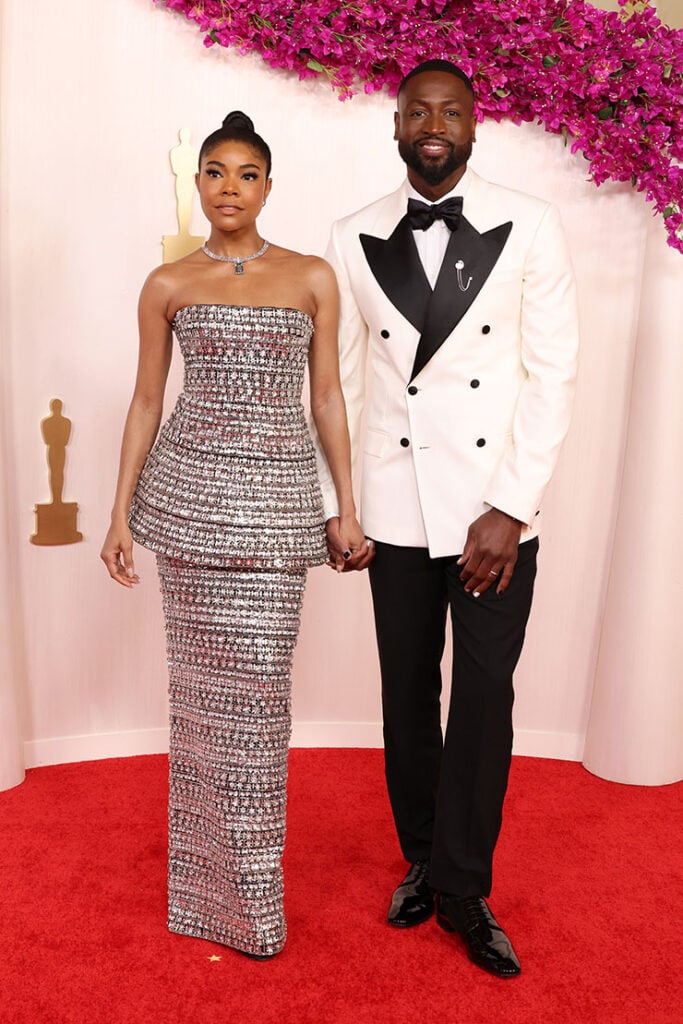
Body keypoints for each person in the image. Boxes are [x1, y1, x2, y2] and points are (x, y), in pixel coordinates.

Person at [319, 60, 579, 978]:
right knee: (405, 691)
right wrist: (338, 506)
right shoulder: (351, 234)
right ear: (395, 125)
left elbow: (551, 377)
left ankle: (466, 885)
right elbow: (342, 385)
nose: (434, 125)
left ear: (475, 125)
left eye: (451, 112)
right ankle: (424, 857)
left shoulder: (531, 225)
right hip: (392, 506)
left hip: (489, 514)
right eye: (418, 112)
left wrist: (509, 506)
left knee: (482, 697)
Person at [101, 111, 368, 959]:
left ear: (267, 186)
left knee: (257, 707)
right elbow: (147, 400)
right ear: (197, 183)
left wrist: (344, 506)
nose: (227, 189)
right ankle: (201, 901)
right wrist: (118, 512)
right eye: (213, 172)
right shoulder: (166, 283)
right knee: (198, 705)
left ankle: (252, 900)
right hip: (187, 509)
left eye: (245, 175)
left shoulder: (313, 277)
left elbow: (326, 399)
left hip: (278, 511)